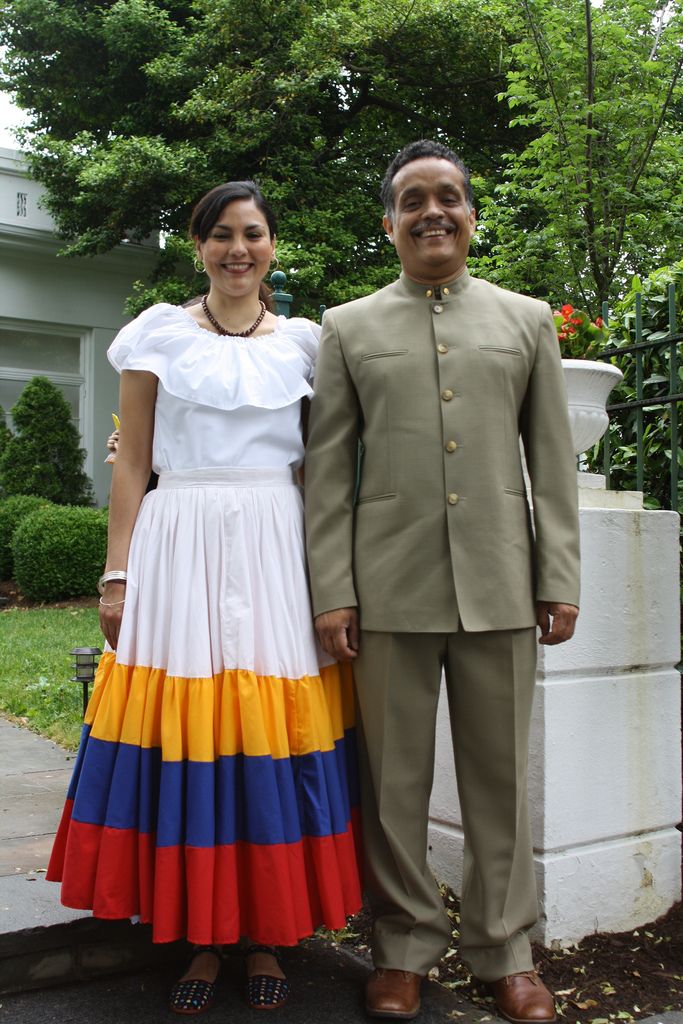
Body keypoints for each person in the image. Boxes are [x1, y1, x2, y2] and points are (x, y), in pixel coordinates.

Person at [47, 180, 362, 1014]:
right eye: (220, 234)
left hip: (274, 545)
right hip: (177, 540)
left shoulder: (304, 343)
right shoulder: (157, 335)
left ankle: (265, 933)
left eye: (252, 234)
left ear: (271, 246)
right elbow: (132, 460)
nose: (237, 249)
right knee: (187, 726)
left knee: (268, 725)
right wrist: (117, 573)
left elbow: (320, 470)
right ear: (197, 246)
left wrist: (334, 577)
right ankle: (202, 936)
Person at [304, 140, 580, 1023]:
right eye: (413, 199)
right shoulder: (347, 326)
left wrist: (557, 575)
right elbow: (327, 469)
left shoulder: (524, 319)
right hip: (388, 589)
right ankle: (403, 947)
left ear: (469, 213)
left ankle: (506, 952)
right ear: (388, 222)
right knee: (391, 784)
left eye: (448, 197)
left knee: (498, 781)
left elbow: (552, 462)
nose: (433, 211)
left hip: (501, 582)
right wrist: (333, 590)